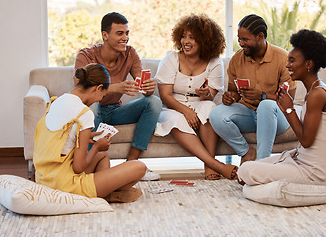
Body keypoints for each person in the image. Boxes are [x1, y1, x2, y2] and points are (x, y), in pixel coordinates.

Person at [33, 63, 146, 202]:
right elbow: (78, 167)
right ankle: (103, 195)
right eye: (103, 95)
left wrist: (87, 138)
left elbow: (61, 139)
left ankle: (103, 192)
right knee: (139, 167)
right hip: (64, 184)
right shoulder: (84, 113)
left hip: (45, 178)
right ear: (98, 88)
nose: (100, 100)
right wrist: (97, 146)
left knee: (102, 157)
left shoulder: (57, 101)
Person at [237, 29, 326, 185]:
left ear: (308, 64)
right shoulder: (314, 90)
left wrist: (288, 109)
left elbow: (306, 141)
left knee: (246, 171)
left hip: (314, 171)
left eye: (292, 61)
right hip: (302, 161)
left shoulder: (317, 94)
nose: (287, 65)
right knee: (246, 170)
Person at [74, 12, 162, 181]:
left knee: (154, 102)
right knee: (92, 107)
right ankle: (89, 167)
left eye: (127, 33)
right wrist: (114, 88)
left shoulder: (129, 53)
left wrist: (148, 88)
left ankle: (132, 163)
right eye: (120, 33)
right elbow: (82, 90)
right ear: (105, 35)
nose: (125, 38)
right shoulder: (86, 56)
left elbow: (143, 86)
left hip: (116, 111)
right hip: (94, 109)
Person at [154, 14, 238, 180]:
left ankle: (208, 165)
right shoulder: (171, 59)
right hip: (172, 105)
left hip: (199, 103)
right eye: (183, 36)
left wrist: (207, 94)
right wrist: (187, 111)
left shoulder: (215, 62)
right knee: (176, 119)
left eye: (192, 37)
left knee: (210, 109)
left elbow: (211, 97)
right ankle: (215, 164)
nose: (186, 41)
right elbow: (165, 96)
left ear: (205, 40)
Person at [209, 14, 296, 164]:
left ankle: (262, 163)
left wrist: (262, 96)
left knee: (266, 105)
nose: (241, 43)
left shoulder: (282, 58)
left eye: (245, 39)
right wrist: (230, 97)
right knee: (216, 114)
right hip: (249, 114)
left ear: (260, 36)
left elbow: (289, 100)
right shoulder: (237, 59)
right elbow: (234, 93)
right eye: (239, 39)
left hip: (277, 116)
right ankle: (246, 152)